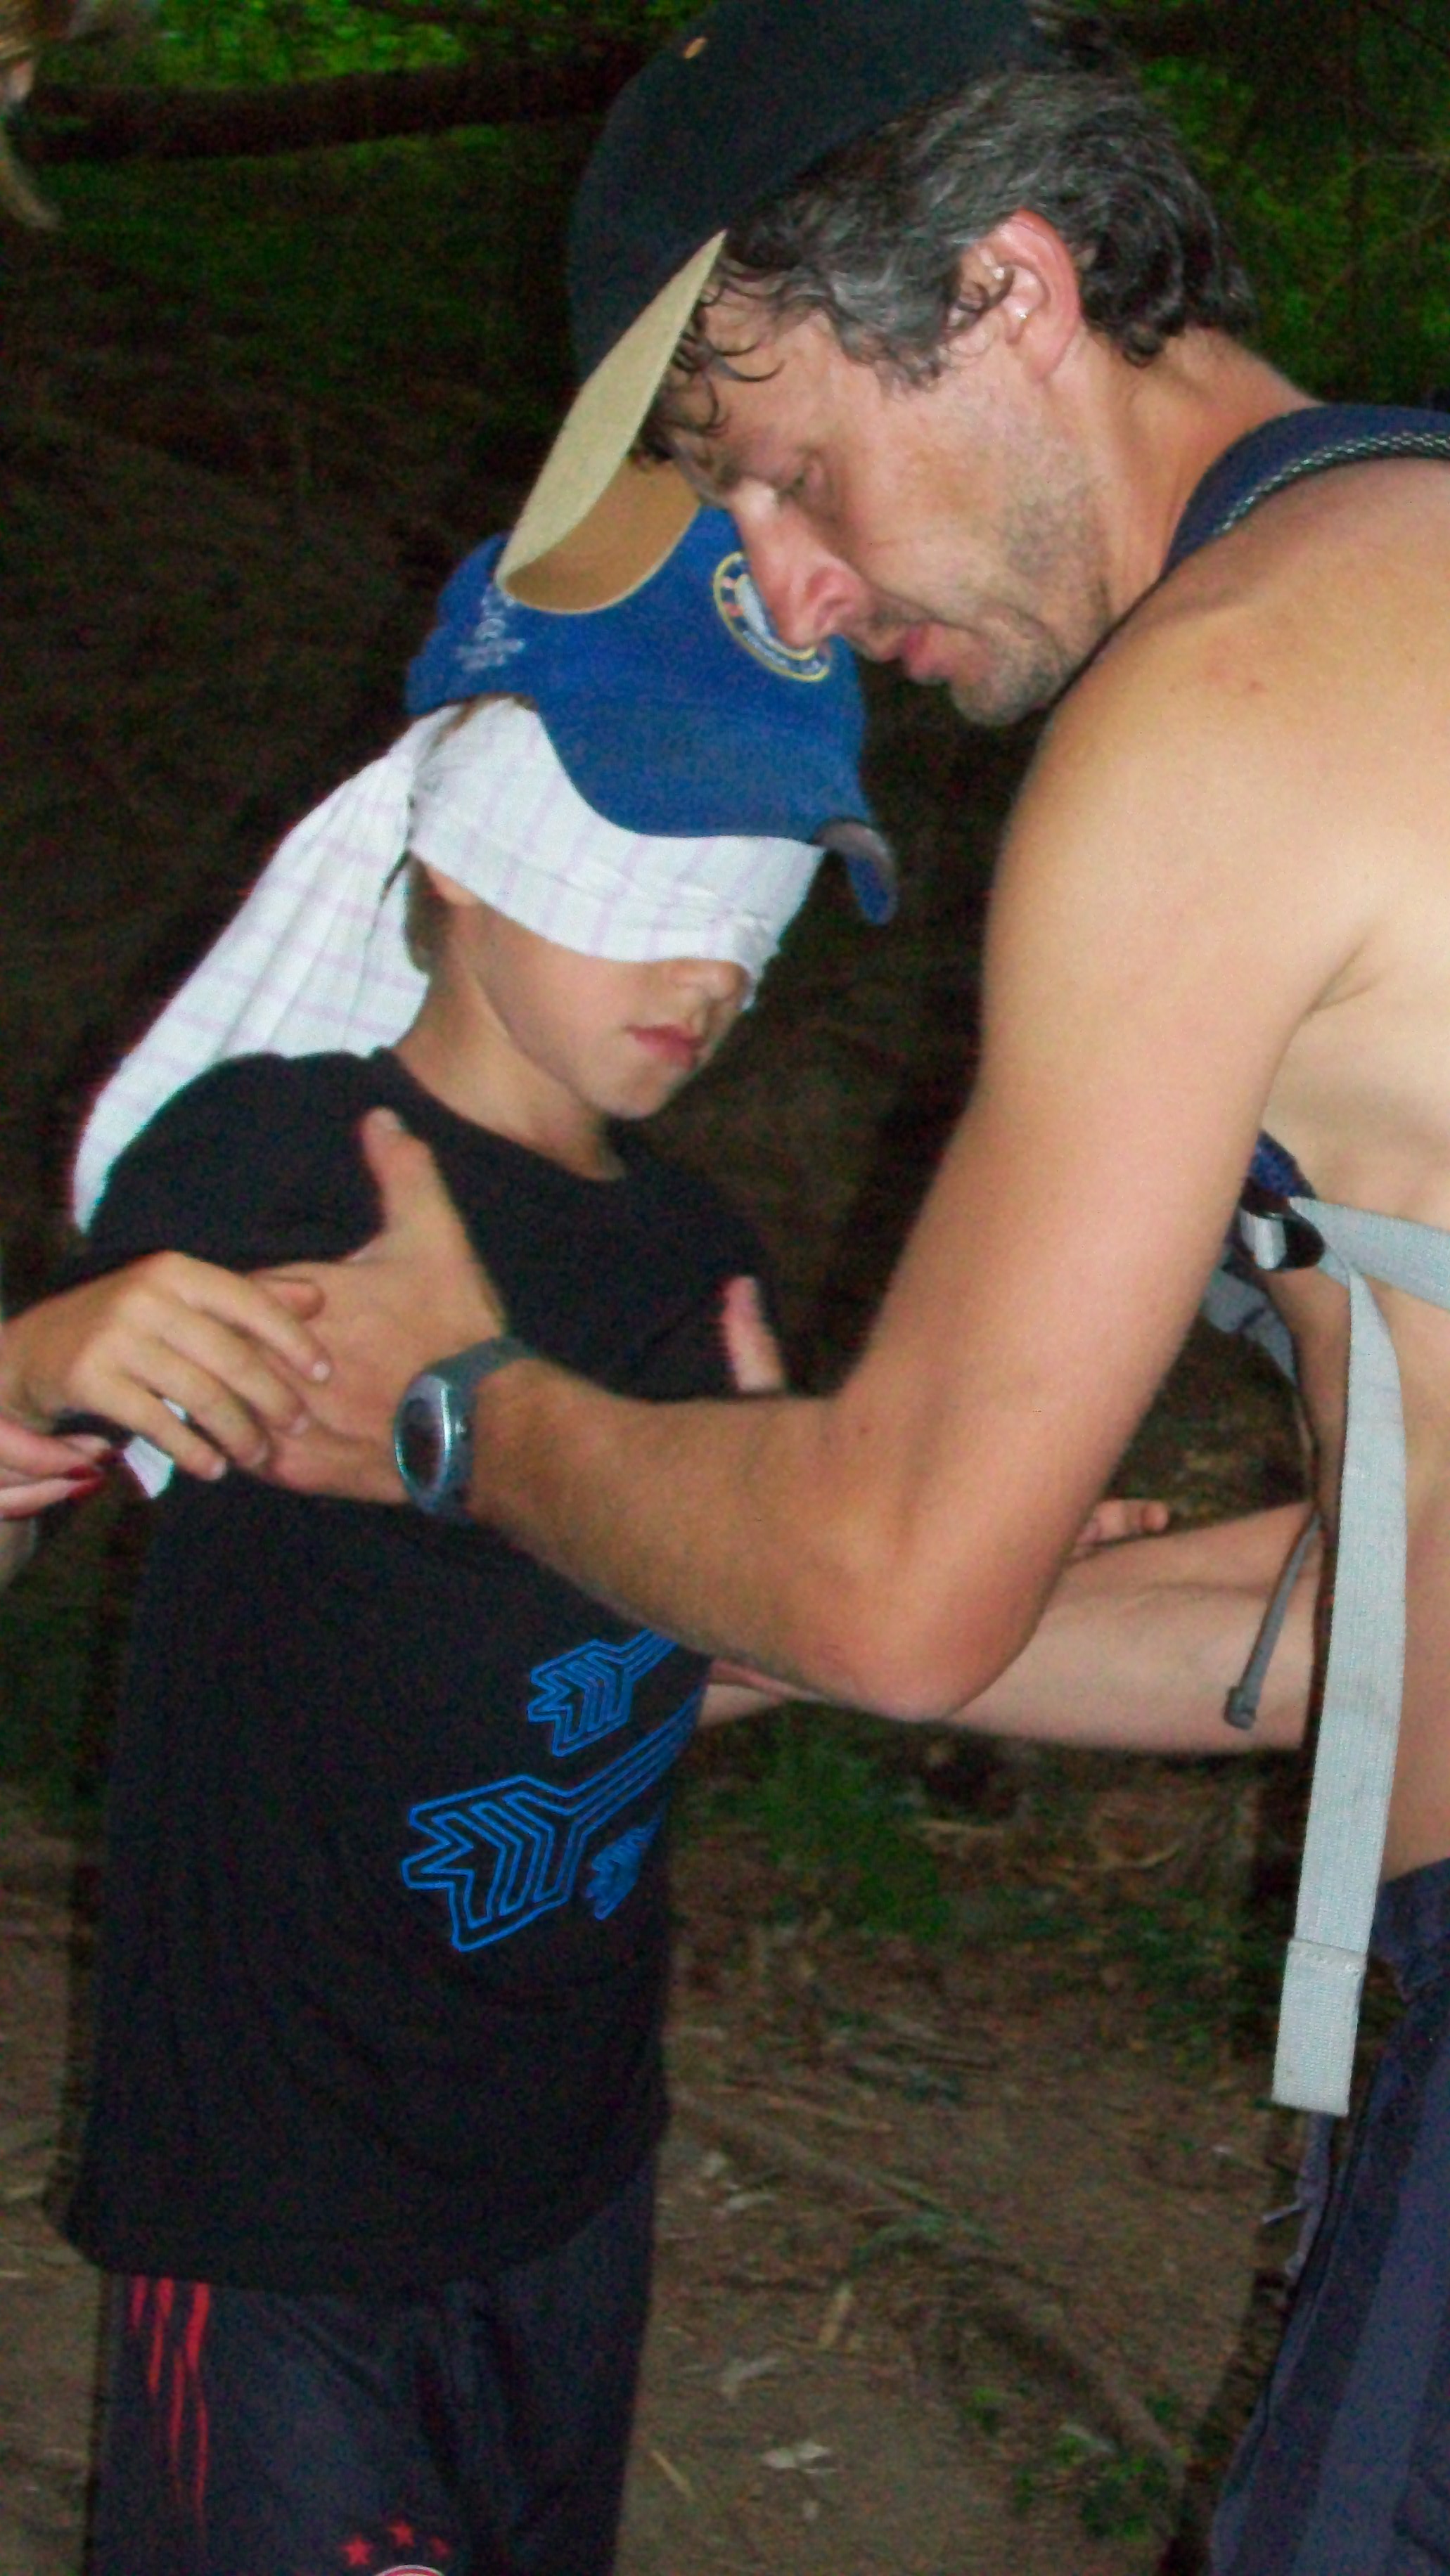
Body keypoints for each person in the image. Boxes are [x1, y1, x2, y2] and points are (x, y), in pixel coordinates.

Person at [81, 2, 1450, 2568]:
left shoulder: (1232, 706)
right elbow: (1372, 1621)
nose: (792, 587)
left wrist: (463, 1419)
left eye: (793, 465)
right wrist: (768, 1598)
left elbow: (899, 1578)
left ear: (1011, 287)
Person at [46, 510, 916, 2576]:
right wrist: (32, 1372)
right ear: (461, 837)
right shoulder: (286, 1158)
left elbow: (589, 1670)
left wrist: (792, 1620)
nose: (715, 963)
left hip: (566, 2153)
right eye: (662, 865)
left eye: (767, 893)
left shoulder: (689, 1247)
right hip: (282, 2186)